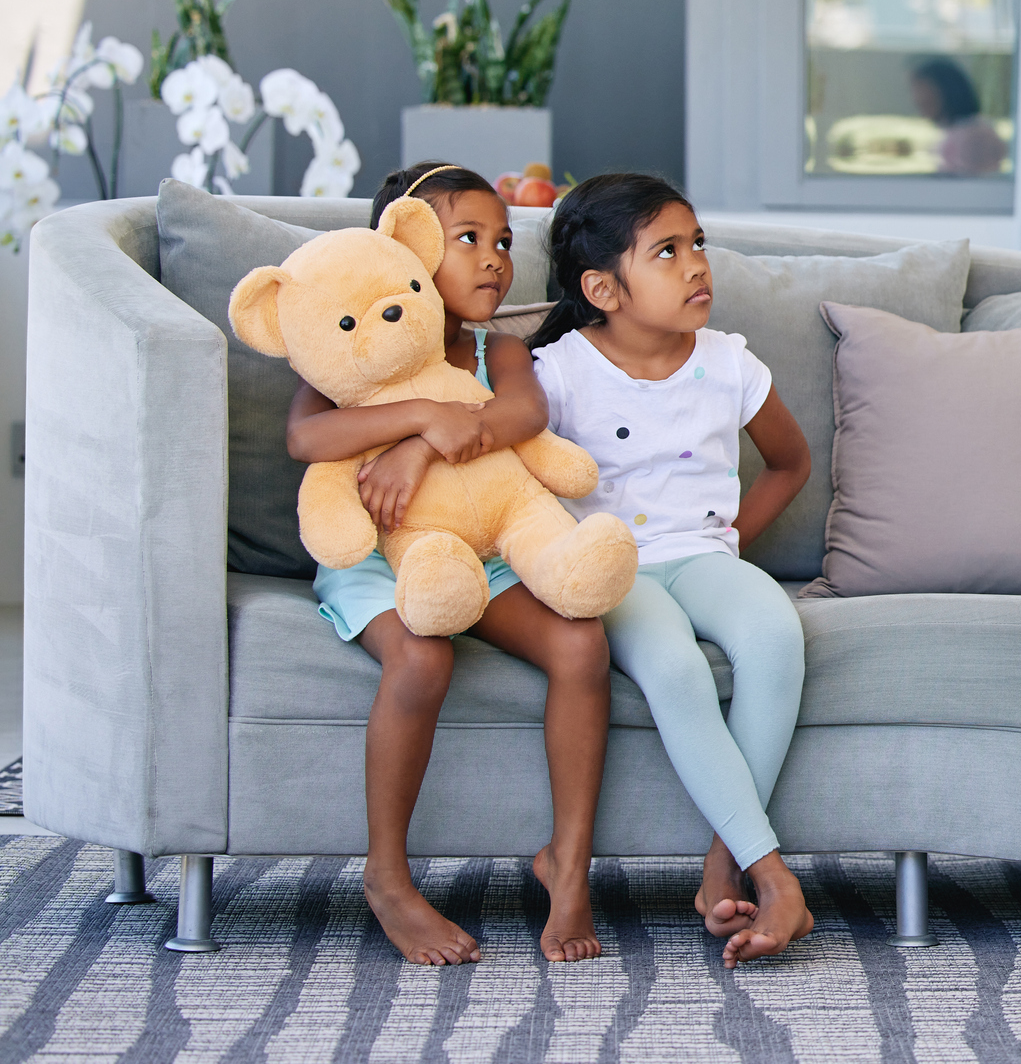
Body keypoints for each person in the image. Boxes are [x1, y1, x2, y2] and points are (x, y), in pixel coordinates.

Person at [286, 161, 613, 967]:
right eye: (467, 239)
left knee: (581, 644)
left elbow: (523, 412)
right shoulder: (349, 337)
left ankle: (568, 863)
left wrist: (415, 448)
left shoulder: (493, 349)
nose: (495, 257)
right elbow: (308, 439)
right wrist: (425, 417)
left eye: (502, 240)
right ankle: (388, 877)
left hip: (483, 550)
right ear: (400, 249)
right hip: (374, 553)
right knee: (422, 656)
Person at [527, 172, 818, 969]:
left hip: (703, 557)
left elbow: (790, 464)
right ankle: (772, 873)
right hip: (614, 573)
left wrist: (727, 542)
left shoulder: (728, 363)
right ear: (602, 288)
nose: (695, 265)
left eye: (697, 245)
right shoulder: (558, 372)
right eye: (666, 251)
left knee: (774, 636)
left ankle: (723, 863)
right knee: (676, 670)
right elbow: (517, 485)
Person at [910, 57, 1008, 176]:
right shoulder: (961, 131)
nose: (918, 99)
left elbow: (968, 183)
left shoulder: (973, 136)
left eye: (926, 99)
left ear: (946, 92)